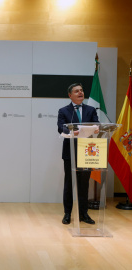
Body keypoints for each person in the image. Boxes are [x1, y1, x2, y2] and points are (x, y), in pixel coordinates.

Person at [57, 83, 99, 225]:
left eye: (81, 90)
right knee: (69, 183)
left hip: (87, 151)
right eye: (76, 91)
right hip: (70, 151)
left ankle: (83, 214)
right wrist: (71, 132)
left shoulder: (90, 109)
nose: (80, 93)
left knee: (84, 184)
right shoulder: (64, 111)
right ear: (70, 95)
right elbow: (61, 127)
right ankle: (67, 214)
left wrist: (97, 129)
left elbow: (96, 124)